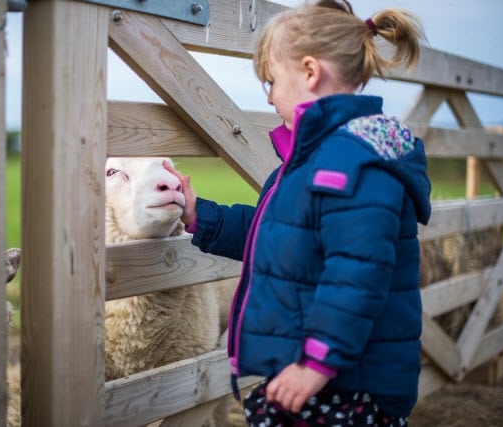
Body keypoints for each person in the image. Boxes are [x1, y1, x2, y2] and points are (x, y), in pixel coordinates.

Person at [164, 0, 431, 425]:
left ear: (309, 72)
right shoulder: (315, 159)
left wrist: (316, 363)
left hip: (346, 386)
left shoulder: (351, 163)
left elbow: (358, 274)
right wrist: (201, 215)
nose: (268, 97)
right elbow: (277, 233)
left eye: (270, 82)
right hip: (318, 371)